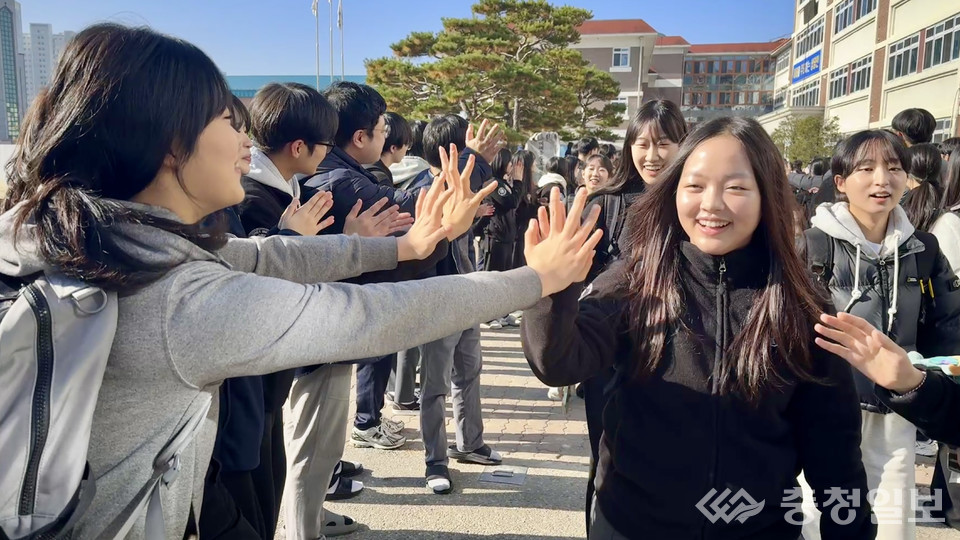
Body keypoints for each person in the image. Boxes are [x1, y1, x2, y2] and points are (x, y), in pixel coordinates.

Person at [0, 23, 604, 539]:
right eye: (224, 120)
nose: (245, 142)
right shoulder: (174, 300)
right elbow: (365, 318)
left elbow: (265, 258)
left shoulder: (83, 236)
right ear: (167, 145)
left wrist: (404, 246)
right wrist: (534, 279)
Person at [522, 116, 874, 539]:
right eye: (695, 186)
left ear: (767, 195)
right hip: (632, 525)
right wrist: (551, 291)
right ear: (673, 193)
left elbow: (833, 446)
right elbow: (558, 363)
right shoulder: (633, 281)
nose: (712, 204)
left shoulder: (801, 303)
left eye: (736, 187)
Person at [800, 129, 960, 539]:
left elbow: (948, 328)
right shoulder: (811, 246)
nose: (881, 180)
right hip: (827, 409)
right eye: (866, 169)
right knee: (825, 522)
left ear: (908, 179)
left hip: (897, 415)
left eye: (894, 169)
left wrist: (931, 383)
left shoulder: (923, 248)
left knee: (891, 526)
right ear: (840, 182)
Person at [412, 116, 508, 494]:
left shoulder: (464, 188)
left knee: (469, 371)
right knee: (433, 385)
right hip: (436, 299)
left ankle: (471, 443)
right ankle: (435, 461)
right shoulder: (426, 187)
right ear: (454, 150)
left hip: (466, 291)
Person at [478, 148, 522, 329]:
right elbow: (510, 202)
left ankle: (502, 312)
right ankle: (488, 315)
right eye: (510, 163)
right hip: (494, 238)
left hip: (505, 238)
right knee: (492, 278)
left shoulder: (503, 182)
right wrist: (518, 182)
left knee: (504, 278)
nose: (512, 167)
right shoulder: (493, 183)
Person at [366, 111, 413, 187]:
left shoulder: (364, 165)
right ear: (393, 148)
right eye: (407, 145)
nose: (407, 149)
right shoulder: (381, 178)